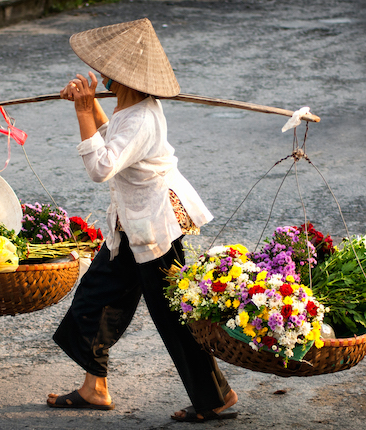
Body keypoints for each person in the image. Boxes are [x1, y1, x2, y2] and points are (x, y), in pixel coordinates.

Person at [46, 18, 238, 423]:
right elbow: (111, 132)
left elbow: (102, 167)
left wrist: (82, 111)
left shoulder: (141, 118)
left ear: (126, 78)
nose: (102, 78)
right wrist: (87, 107)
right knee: (95, 299)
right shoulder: (130, 108)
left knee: (173, 316)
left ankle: (215, 397)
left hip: (153, 229)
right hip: (128, 227)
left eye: (108, 74)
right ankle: (94, 387)